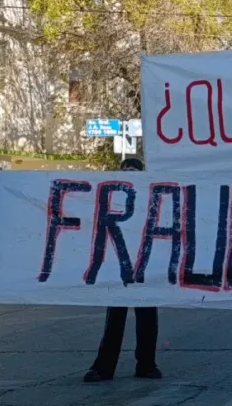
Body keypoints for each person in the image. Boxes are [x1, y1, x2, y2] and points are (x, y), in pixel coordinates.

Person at [83, 157, 162, 383]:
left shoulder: (150, 198)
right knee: (115, 319)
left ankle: (147, 365)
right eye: (125, 170)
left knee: (147, 319)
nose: (128, 173)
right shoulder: (109, 198)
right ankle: (103, 368)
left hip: (146, 267)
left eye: (133, 170)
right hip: (117, 267)